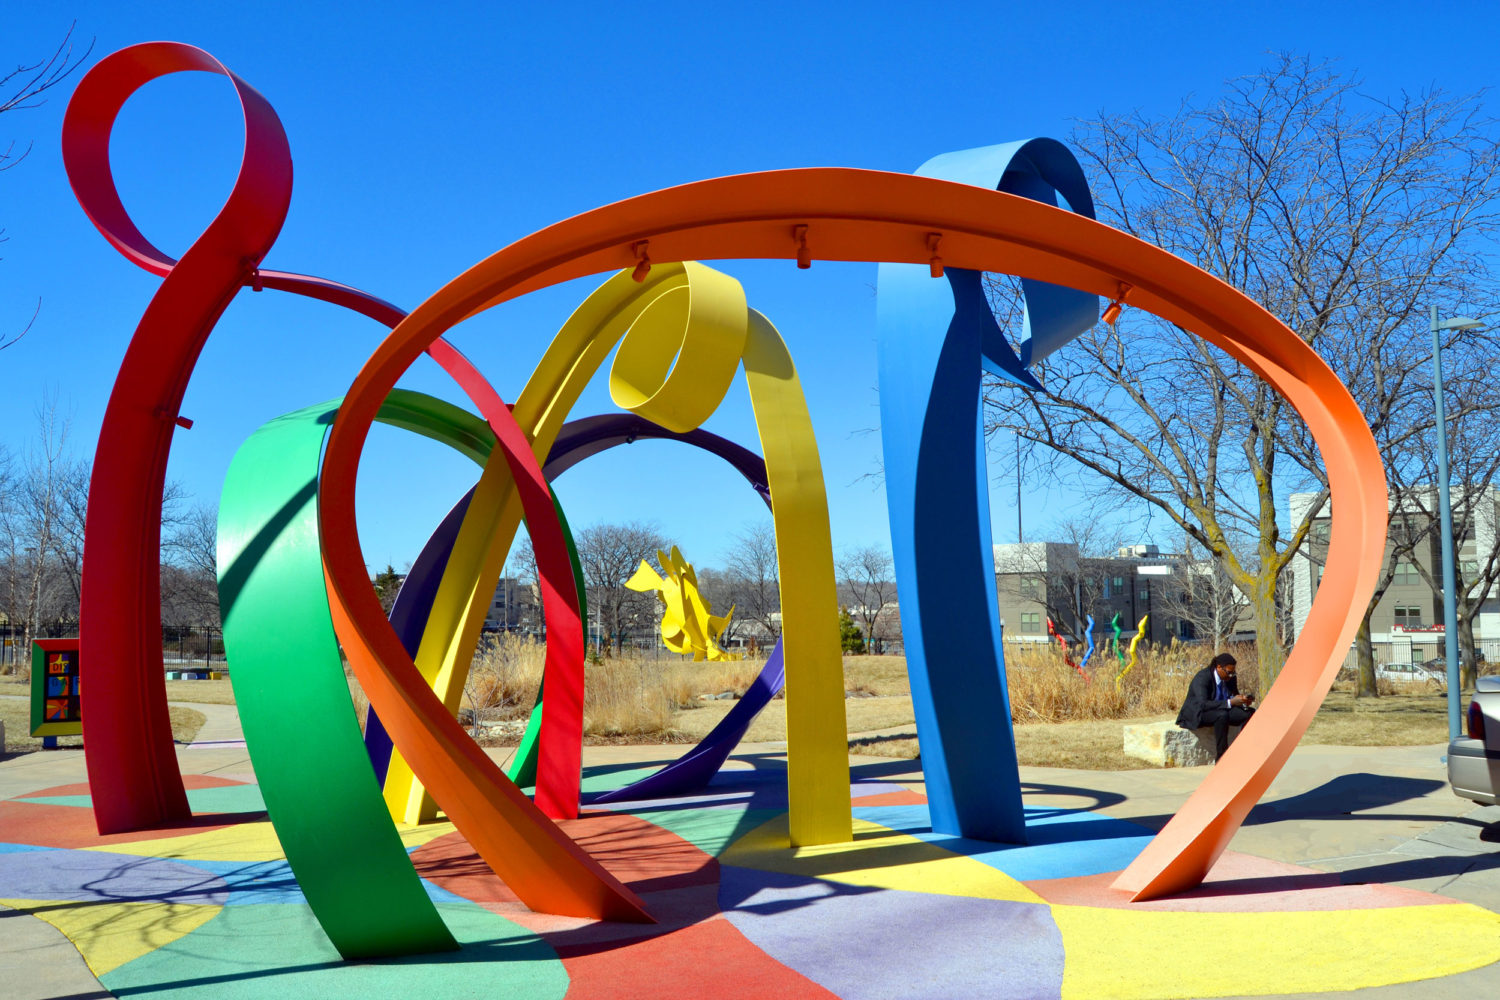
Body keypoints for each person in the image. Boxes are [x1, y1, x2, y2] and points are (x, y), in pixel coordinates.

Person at [1176, 651, 1255, 761]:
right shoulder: (1203, 677)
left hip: (1221, 709)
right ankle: (1222, 757)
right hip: (1200, 712)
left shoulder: (1230, 678)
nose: (1231, 675)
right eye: (1229, 672)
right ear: (1219, 667)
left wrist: (1243, 700)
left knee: (1250, 713)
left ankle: (1245, 748)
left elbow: (1233, 695)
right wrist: (1230, 702)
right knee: (1221, 715)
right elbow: (1203, 704)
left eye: (1233, 673)